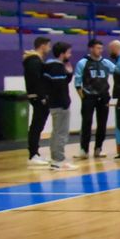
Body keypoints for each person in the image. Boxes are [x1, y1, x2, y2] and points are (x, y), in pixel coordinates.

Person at [73, 38, 115, 158]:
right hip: (89, 97)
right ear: (91, 48)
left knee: (102, 124)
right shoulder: (83, 62)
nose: (100, 50)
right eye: (97, 48)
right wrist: (83, 97)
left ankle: (98, 148)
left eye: (101, 48)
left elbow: (117, 71)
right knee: (86, 123)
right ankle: (84, 150)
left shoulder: (106, 62)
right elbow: (77, 82)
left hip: (103, 97)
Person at [41, 42, 75, 171]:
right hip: (60, 104)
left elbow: (58, 83)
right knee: (61, 132)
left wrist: (69, 74)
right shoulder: (57, 67)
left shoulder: (49, 66)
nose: (69, 55)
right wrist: (66, 103)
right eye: (68, 52)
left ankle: (56, 158)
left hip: (54, 104)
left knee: (56, 132)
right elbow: (59, 86)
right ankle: (58, 160)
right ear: (62, 54)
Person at [23, 36, 52, 166]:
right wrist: (42, 96)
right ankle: (33, 153)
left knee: (38, 125)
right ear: (42, 45)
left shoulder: (37, 61)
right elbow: (36, 80)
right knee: (36, 125)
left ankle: (35, 152)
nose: (49, 48)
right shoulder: (34, 61)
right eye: (48, 45)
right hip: (37, 96)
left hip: (38, 95)